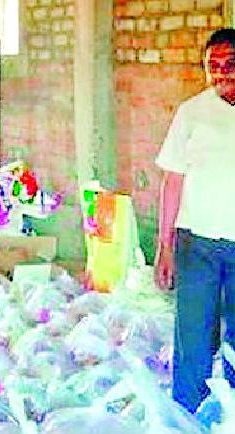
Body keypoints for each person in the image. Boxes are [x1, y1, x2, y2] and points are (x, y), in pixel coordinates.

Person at [155, 27, 235, 413]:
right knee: (193, 333)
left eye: (230, 64)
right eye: (212, 65)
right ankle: (188, 412)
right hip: (196, 244)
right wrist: (164, 246)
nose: (221, 72)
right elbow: (172, 181)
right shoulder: (192, 113)